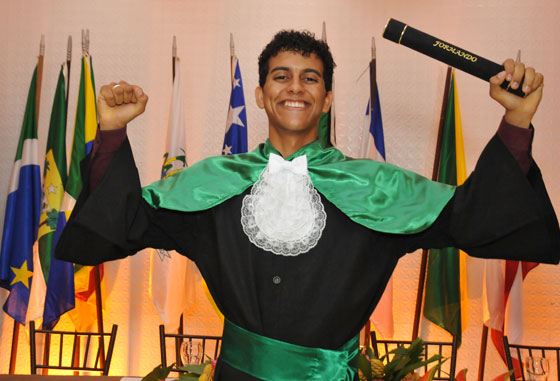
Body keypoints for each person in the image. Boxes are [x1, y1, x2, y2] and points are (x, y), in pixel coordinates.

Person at [56, 30, 559, 380]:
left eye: (310, 78)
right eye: (281, 76)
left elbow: (476, 217)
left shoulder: (379, 189)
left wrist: (516, 123)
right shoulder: (212, 184)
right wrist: (112, 129)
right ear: (259, 94)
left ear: (328, 97)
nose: (295, 87)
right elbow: (119, 223)